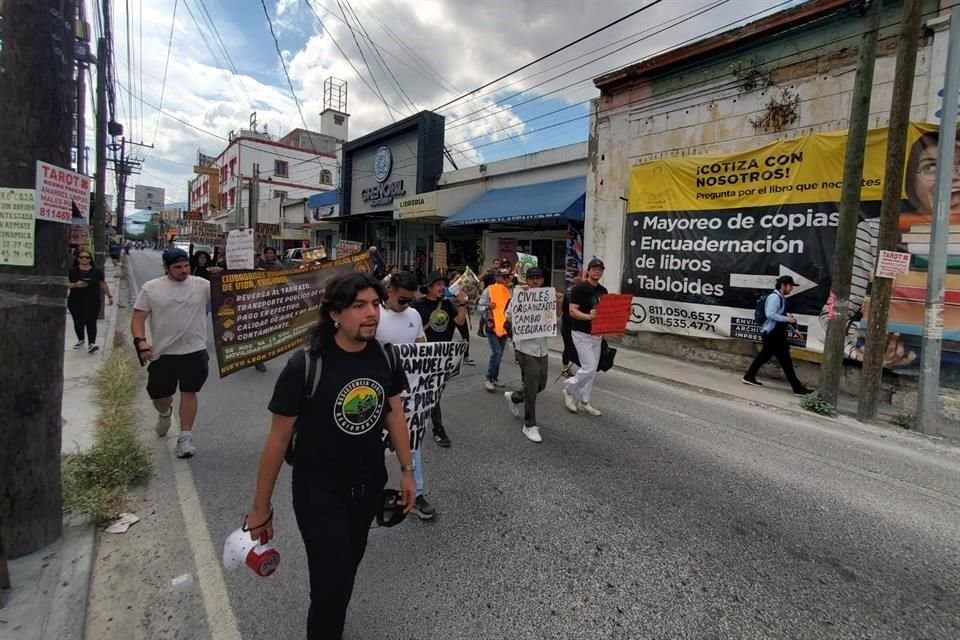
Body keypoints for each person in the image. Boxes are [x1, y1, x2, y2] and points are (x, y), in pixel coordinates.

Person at [244, 272, 416, 639]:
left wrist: (407, 470)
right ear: (335, 314)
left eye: (374, 304)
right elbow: (277, 441)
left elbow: (394, 413)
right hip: (317, 490)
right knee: (332, 583)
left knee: (346, 568)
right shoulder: (305, 366)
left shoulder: (384, 357)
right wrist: (260, 507)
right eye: (358, 306)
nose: (371, 313)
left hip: (368, 485)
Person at [131, 248, 212, 458]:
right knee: (160, 396)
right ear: (166, 268)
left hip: (195, 351)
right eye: (177, 267)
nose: (183, 271)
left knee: (189, 392)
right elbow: (138, 318)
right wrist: (141, 342)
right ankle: (165, 413)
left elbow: (231, 295)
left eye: (186, 266)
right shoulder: (151, 289)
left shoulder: (202, 285)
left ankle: (185, 438)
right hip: (163, 354)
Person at [375, 271, 436, 520]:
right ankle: (372, 493)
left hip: (408, 393)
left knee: (412, 443)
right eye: (402, 300)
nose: (406, 305)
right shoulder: (374, 314)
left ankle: (417, 493)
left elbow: (422, 346)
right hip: (377, 393)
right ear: (389, 291)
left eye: (410, 300)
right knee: (373, 446)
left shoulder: (413, 315)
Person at [411, 271, 467, 447]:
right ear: (428, 287)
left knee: (434, 392)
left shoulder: (448, 305)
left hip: (441, 358)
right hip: (423, 356)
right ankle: (437, 428)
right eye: (438, 285)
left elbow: (459, 322)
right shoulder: (417, 306)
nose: (443, 288)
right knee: (432, 393)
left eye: (443, 284)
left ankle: (425, 419)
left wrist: (463, 304)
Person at [503, 268, 558, 443]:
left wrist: (559, 303)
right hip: (525, 349)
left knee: (540, 385)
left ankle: (514, 396)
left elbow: (554, 319)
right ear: (527, 280)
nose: (535, 281)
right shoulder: (520, 295)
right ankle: (530, 424)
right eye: (532, 278)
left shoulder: (547, 296)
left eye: (538, 278)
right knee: (532, 387)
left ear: (542, 280)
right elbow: (508, 316)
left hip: (542, 347)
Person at [742, 275, 813, 395]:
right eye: (790, 286)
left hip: (774, 334)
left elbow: (782, 318)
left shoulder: (781, 298)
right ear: (783, 285)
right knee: (786, 361)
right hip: (774, 334)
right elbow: (770, 314)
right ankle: (797, 388)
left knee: (764, 356)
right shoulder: (775, 297)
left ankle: (749, 376)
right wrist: (787, 319)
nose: (791, 289)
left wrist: (794, 330)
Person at [562, 258, 608, 416]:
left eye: (600, 269)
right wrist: (589, 317)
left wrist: (621, 316)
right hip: (581, 333)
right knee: (588, 367)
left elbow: (606, 313)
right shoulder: (579, 288)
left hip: (597, 334)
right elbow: (572, 311)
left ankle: (584, 402)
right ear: (588, 271)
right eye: (594, 268)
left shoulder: (603, 291)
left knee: (592, 371)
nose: (597, 271)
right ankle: (569, 388)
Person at [67, 250, 113, 354]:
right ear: (78, 258)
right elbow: (66, 283)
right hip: (75, 300)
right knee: (78, 321)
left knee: (91, 321)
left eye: (87, 257)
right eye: (82, 257)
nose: (84, 259)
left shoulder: (97, 271)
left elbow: (102, 284)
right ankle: (81, 339)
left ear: (90, 259)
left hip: (92, 300)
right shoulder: (72, 271)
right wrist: (75, 285)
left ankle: (92, 343)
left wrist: (109, 296)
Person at [477, 268, 512, 392]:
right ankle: (489, 378)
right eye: (504, 277)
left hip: (504, 328)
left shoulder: (509, 291)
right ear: (497, 278)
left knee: (500, 354)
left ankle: (495, 378)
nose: (507, 279)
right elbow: (479, 307)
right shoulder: (489, 290)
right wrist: (488, 306)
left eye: (508, 277)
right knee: (496, 353)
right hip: (492, 328)